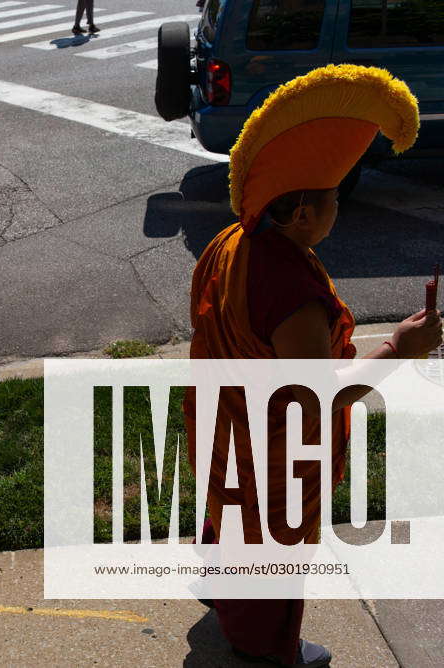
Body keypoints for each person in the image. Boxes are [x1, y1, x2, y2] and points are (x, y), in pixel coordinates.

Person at [183, 64, 441, 668]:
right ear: (300, 213)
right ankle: (261, 645)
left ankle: (224, 586)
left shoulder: (232, 242)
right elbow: (323, 396)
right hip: (270, 451)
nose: (336, 214)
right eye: (332, 202)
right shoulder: (290, 290)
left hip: (223, 425)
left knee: (231, 518)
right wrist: (402, 345)